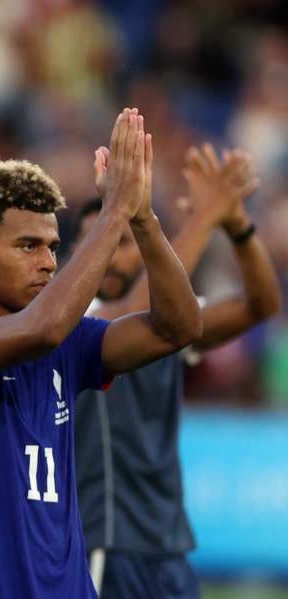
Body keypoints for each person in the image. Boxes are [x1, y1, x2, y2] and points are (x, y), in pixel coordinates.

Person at [0, 108, 203, 598]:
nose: (46, 262)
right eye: (27, 246)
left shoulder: (71, 342)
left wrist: (142, 217)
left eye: (52, 247)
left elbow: (179, 327)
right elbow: (41, 329)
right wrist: (114, 213)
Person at [75, 145, 281, 599]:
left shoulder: (172, 321)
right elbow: (138, 308)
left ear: (148, 251)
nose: (110, 257)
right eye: (99, 244)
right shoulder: (78, 319)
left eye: (124, 243)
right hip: (105, 538)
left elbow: (260, 305)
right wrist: (203, 218)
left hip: (168, 543)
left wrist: (237, 225)